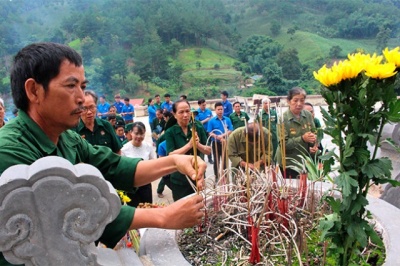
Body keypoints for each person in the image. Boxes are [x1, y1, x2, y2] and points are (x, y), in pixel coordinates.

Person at [0, 42, 205, 266]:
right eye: (71, 86)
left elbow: (115, 167)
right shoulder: (10, 153)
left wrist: (175, 161)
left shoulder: (67, 138)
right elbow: (76, 215)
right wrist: (164, 216)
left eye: (82, 86)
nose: (81, 97)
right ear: (34, 91)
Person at [164, 100, 211, 201]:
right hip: (179, 180)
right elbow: (171, 155)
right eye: (181, 112)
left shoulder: (197, 127)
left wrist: (198, 145)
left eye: (187, 111)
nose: (185, 115)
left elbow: (208, 151)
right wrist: (189, 145)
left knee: (200, 208)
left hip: (198, 177)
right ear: (174, 114)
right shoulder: (170, 132)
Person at [275, 87, 317, 179]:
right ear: (288, 101)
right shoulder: (282, 119)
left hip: (305, 160)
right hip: (289, 162)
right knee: (292, 189)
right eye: (295, 100)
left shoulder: (308, 115)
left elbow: (314, 133)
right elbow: (283, 144)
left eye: (302, 100)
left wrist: (314, 145)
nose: (299, 104)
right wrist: (302, 139)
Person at [121, 122, 156, 207]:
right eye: (136, 133)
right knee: (134, 210)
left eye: (142, 134)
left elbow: (153, 163)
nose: (139, 137)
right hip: (131, 186)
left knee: (147, 208)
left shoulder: (148, 147)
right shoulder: (124, 149)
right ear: (131, 133)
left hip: (145, 184)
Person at [207, 102, 233, 181]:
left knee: (225, 160)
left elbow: (230, 130)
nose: (220, 111)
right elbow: (210, 132)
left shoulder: (227, 119)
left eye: (221, 109)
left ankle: (225, 175)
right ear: (215, 110)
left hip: (225, 142)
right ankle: (217, 176)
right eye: (218, 109)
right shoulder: (211, 121)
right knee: (216, 160)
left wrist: (222, 136)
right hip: (215, 143)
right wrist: (217, 137)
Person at [196, 98, 214, 164]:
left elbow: (212, 119)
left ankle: (210, 158)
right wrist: (207, 119)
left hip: (208, 131)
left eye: (205, 105)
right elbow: (198, 122)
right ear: (199, 105)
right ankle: (201, 159)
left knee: (209, 145)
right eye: (203, 105)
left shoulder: (208, 111)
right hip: (201, 132)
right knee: (202, 145)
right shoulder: (197, 113)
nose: (204, 106)